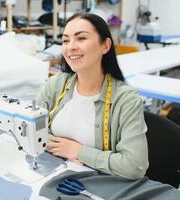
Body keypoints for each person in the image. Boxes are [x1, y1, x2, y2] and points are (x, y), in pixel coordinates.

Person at [36, 13, 149, 180]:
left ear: (105, 45)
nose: (70, 47)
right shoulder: (56, 85)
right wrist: (60, 147)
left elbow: (134, 166)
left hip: (98, 185)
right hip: (54, 175)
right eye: (65, 40)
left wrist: (79, 152)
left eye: (81, 38)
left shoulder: (126, 100)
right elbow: (32, 128)